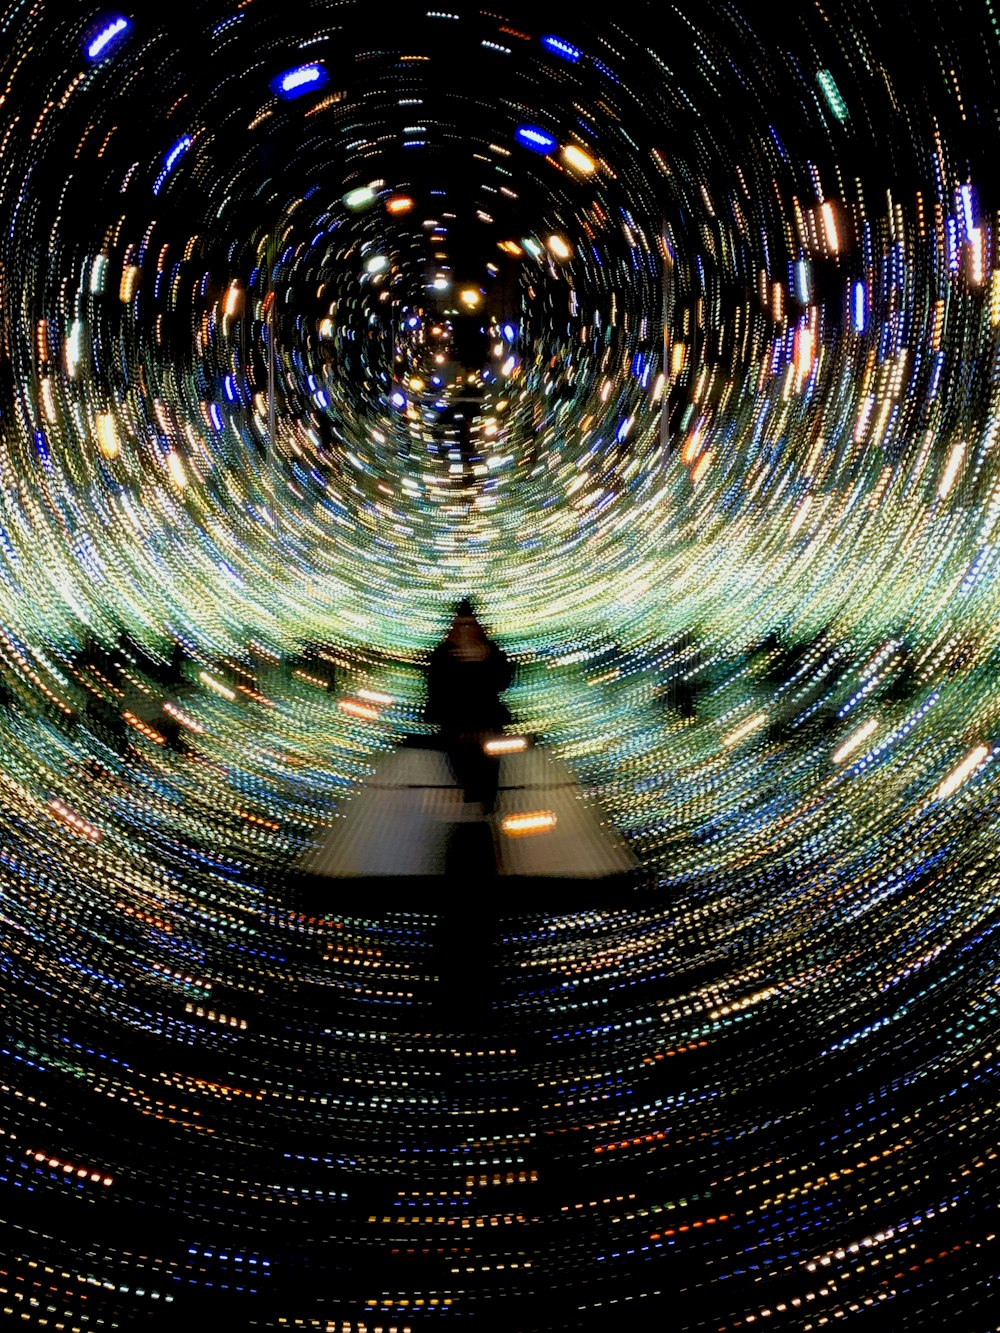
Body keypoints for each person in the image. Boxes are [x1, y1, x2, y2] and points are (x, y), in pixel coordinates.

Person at [426, 599, 513, 813]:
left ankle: (487, 810)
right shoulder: (442, 654)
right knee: (462, 770)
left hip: (487, 724)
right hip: (456, 727)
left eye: (470, 624)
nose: (466, 630)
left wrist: (487, 658)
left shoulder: (491, 651)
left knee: (489, 772)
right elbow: (436, 689)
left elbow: (504, 681)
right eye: (461, 625)